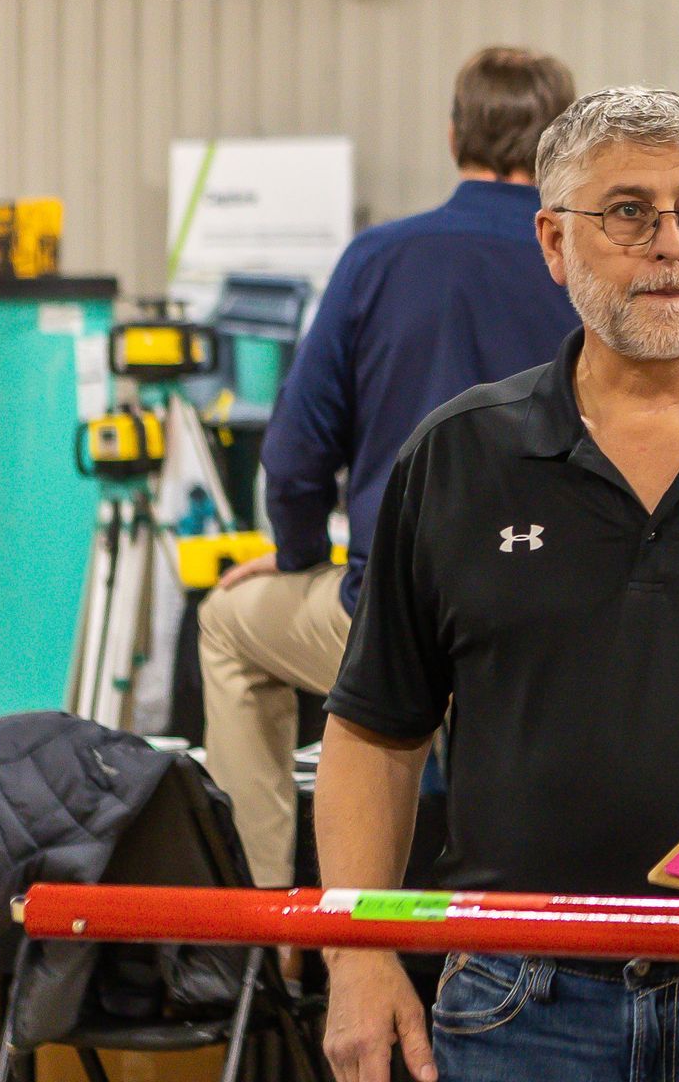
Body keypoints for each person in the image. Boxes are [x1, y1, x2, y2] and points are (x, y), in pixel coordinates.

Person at [315, 87, 679, 1082]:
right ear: (553, 241)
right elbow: (375, 729)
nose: (671, 244)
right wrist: (357, 955)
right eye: (628, 212)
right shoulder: (457, 456)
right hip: (521, 1003)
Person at [198, 46, 578, 889]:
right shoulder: (586, 268)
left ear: (452, 137)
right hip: (554, 632)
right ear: (562, 141)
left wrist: (298, 557)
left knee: (227, 625)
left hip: (396, 623)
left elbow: (295, 457)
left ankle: (259, 925)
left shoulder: (378, 260)